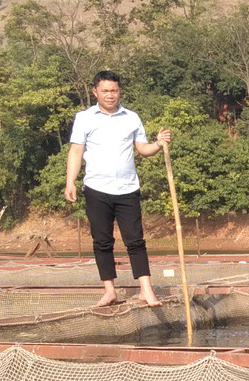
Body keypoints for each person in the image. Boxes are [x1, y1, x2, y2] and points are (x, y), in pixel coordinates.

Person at [64, 71, 174, 308]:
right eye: (104, 91)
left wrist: (158, 143)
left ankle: (146, 290)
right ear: (95, 92)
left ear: (120, 91)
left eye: (114, 90)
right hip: (96, 188)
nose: (110, 95)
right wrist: (70, 182)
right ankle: (110, 290)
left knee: (135, 240)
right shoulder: (84, 118)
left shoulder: (131, 118)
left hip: (127, 188)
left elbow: (143, 149)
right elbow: (76, 151)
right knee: (102, 241)